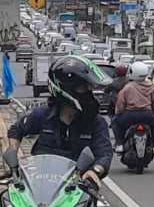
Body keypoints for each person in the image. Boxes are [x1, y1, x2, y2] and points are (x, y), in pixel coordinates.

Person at [7, 55, 113, 186]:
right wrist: (15, 161)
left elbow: (104, 155)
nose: (88, 93)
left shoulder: (96, 122)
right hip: (39, 186)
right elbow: (15, 131)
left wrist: (94, 171)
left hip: (77, 188)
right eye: (83, 88)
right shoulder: (42, 115)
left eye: (89, 88)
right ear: (65, 88)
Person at [111, 62, 154, 153]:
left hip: (129, 115)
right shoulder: (151, 86)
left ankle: (119, 144)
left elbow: (120, 104)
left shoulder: (128, 87)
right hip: (147, 115)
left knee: (115, 121)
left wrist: (119, 112)